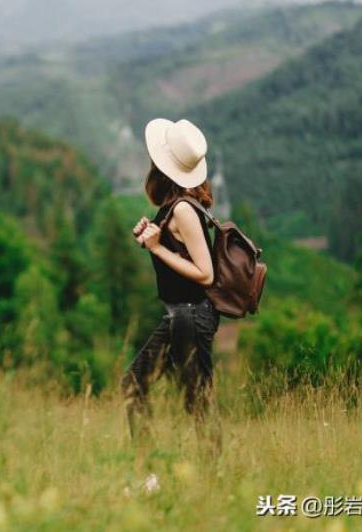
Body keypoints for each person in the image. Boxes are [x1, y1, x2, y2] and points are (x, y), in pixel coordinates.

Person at [120, 118, 222, 460]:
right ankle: (152, 472)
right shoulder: (175, 206)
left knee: (197, 402)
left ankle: (206, 478)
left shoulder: (182, 209)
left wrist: (158, 248)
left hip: (191, 316)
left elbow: (205, 274)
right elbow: (178, 251)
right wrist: (152, 235)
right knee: (142, 385)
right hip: (182, 316)